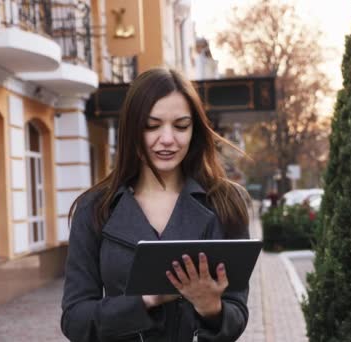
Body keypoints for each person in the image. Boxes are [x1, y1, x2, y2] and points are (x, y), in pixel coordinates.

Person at [61, 67, 251, 342]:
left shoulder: (226, 203)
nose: (167, 139)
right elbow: (75, 321)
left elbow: (237, 315)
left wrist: (211, 308)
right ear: (132, 130)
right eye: (152, 126)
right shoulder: (95, 208)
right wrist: (146, 300)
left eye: (181, 126)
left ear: (194, 130)